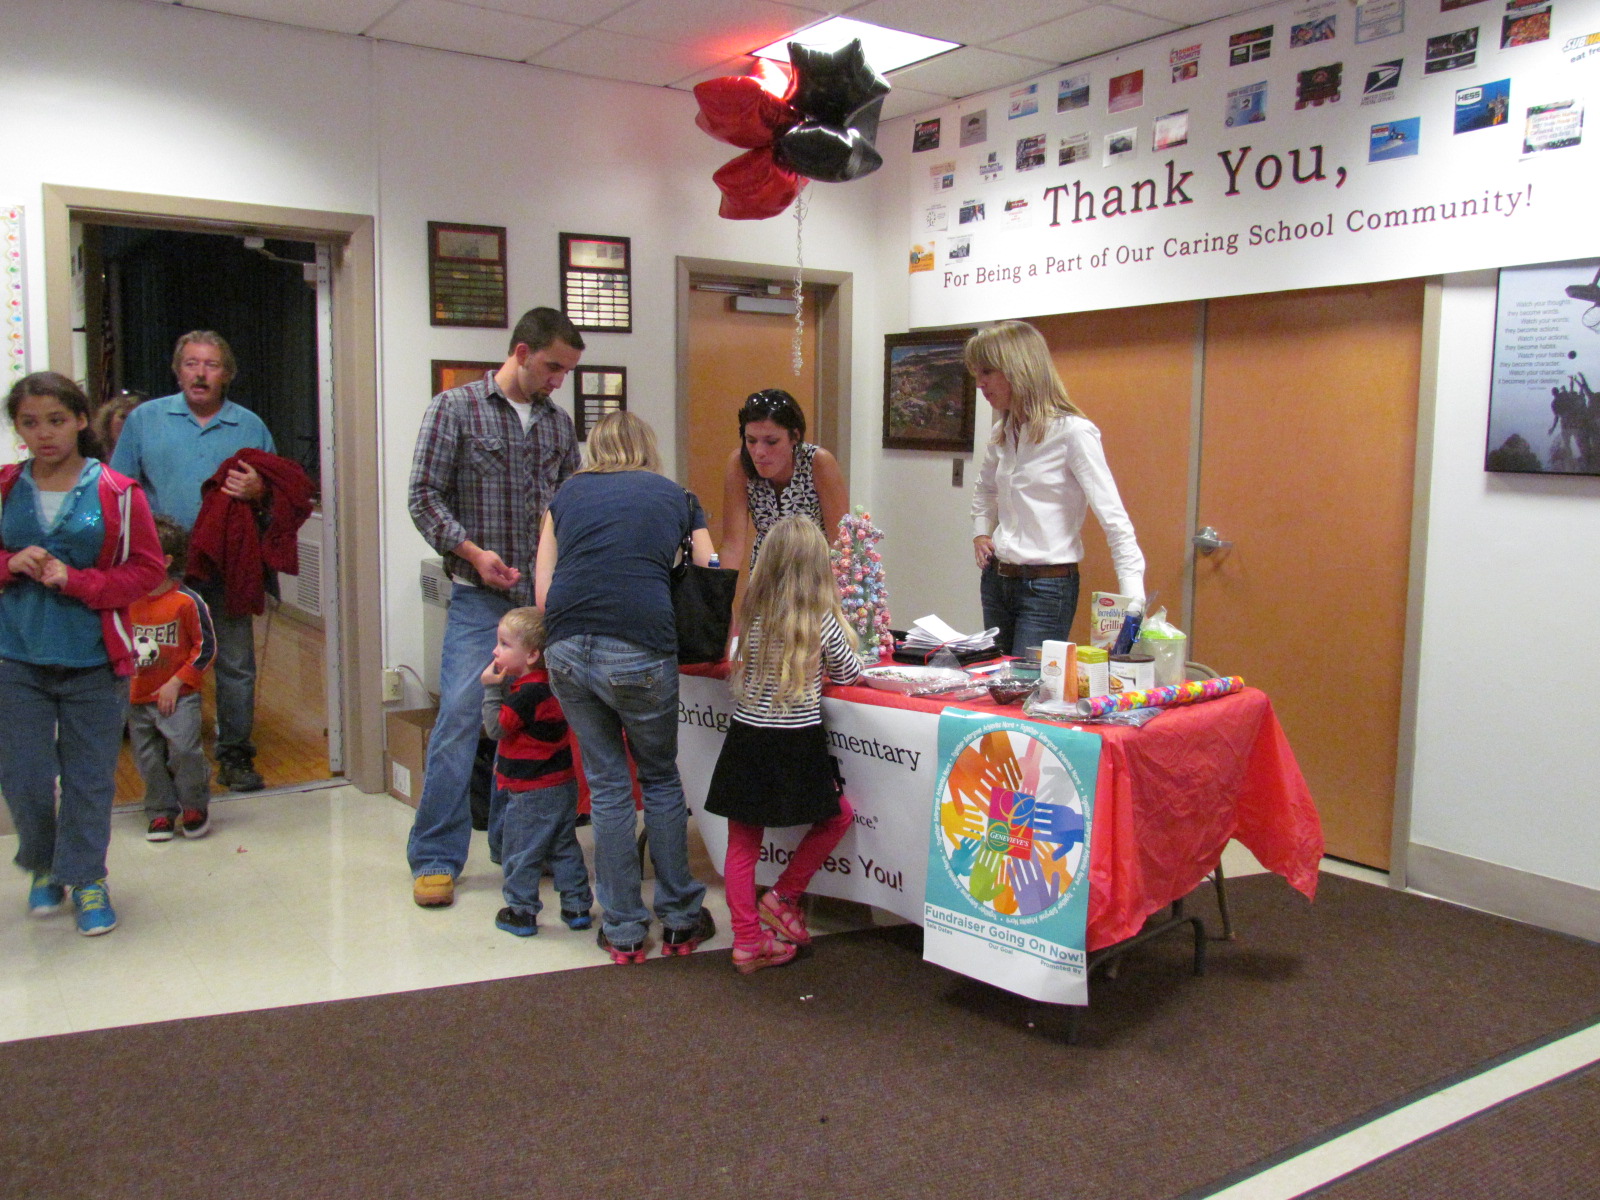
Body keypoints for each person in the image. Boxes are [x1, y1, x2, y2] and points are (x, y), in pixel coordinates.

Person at [407, 307, 584, 908]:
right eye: (553, 366)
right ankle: (435, 855)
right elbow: (422, 496)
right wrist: (473, 553)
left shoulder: (559, 426)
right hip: (479, 599)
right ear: (521, 352)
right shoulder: (455, 409)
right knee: (460, 720)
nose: (559, 380)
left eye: (567, 371)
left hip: (540, 607)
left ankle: (520, 847)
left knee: (537, 723)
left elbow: (569, 509)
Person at [536, 410, 715, 964]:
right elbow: (709, 567)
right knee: (659, 778)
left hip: (566, 647)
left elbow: (543, 592)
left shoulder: (564, 497)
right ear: (647, 448)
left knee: (609, 785)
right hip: (641, 646)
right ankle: (680, 919)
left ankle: (623, 929)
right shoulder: (677, 497)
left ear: (595, 449)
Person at [0, 372, 165, 936]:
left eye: (55, 420)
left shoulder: (117, 491)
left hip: (94, 659)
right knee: (22, 774)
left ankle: (87, 876)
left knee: (89, 778)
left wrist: (78, 581)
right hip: (15, 657)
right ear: (18, 428)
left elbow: (147, 571)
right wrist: (9, 564)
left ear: (78, 420)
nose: (43, 433)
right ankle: (46, 863)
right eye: (29, 423)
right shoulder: (6, 487)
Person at [111, 331, 275, 792]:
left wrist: (258, 491)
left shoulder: (250, 426)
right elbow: (119, 489)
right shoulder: (145, 420)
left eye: (211, 365)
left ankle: (235, 755)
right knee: (160, 658)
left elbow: (279, 495)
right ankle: (164, 753)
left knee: (235, 662)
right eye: (191, 363)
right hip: (162, 567)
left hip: (227, 565)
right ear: (177, 370)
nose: (201, 373)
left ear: (227, 374)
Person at [704, 515, 862, 974]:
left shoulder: (754, 615)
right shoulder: (820, 619)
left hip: (747, 738)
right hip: (796, 742)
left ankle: (747, 940)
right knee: (837, 817)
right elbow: (849, 672)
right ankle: (784, 895)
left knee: (742, 845)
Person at [967, 321, 1146, 657]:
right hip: (997, 581)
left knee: (1028, 682)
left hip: (1046, 588)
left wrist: (1133, 595)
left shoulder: (1073, 433)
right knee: (995, 678)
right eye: (977, 373)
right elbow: (986, 490)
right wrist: (980, 532)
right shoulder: (1002, 432)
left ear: (1019, 368)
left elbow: (1113, 518)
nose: (980, 383)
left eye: (987, 371)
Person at [479, 606, 593, 938]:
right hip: (562, 783)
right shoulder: (555, 684)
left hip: (530, 790)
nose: (495, 651)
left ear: (531, 655)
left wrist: (490, 688)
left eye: (504, 644)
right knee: (563, 846)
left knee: (520, 851)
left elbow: (496, 729)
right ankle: (576, 907)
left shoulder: (525, 695)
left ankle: (521, 911)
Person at [130, 515, 219, 843]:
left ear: (166, 561)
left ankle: (194, 805)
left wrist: (177, 681)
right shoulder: (126, 600)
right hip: (138, 696)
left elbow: (206, 647)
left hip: (178, 696)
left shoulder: (187, 601)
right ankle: (160, 810)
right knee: (148, 757)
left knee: (184, 750)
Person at [719, 388, 848, 574]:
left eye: (771, 441)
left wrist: (839, 589)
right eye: (751, 440)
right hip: (766, 574)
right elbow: (732, 546)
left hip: (814, 574)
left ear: (794, 436)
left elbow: (841, 543)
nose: (759, 452)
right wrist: (721, 590)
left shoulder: (818, 462)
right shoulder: (740, 464)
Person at [91, 389, 147, 462]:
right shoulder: (91, 458)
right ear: (108, 420)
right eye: (123, 417)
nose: (129, 423)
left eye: (137, 418)